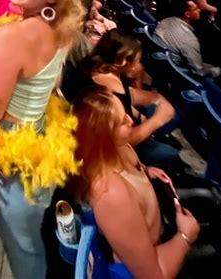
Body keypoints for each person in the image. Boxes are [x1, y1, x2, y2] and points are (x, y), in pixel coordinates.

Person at [0, 0, 84, 279]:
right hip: (39, 144)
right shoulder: (63, 31)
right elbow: (51, 86)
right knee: (31, 242)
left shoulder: (10, 36)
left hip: (11, 158)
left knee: (24, 251)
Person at [72, 86, 200, 279]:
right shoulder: (111, 192)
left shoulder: (119, 148)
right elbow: (153, 275)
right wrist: (185, 236)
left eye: (125, 114)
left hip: (161, 232)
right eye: (122, 121)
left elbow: (129, 170)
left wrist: (146, 172)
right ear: (103, 136)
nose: (130, 121)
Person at [78, 30, 182, 174]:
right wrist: (157, 120)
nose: (137, 65)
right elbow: (122, 141)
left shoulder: (94, 67)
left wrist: (139, 114)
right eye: (135, 60)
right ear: (122, 60)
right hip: (116, 151)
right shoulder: (107, 88)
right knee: (169, 154)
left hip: (117, 133)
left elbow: (125, 102)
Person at [155, 0, 220, 78]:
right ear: (187, 14)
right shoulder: (190, 40)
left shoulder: (166, 20)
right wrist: (215, 71)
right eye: (196, 9)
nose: (199, 10)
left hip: (160, 60)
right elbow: (199, 72)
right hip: (172, 71)